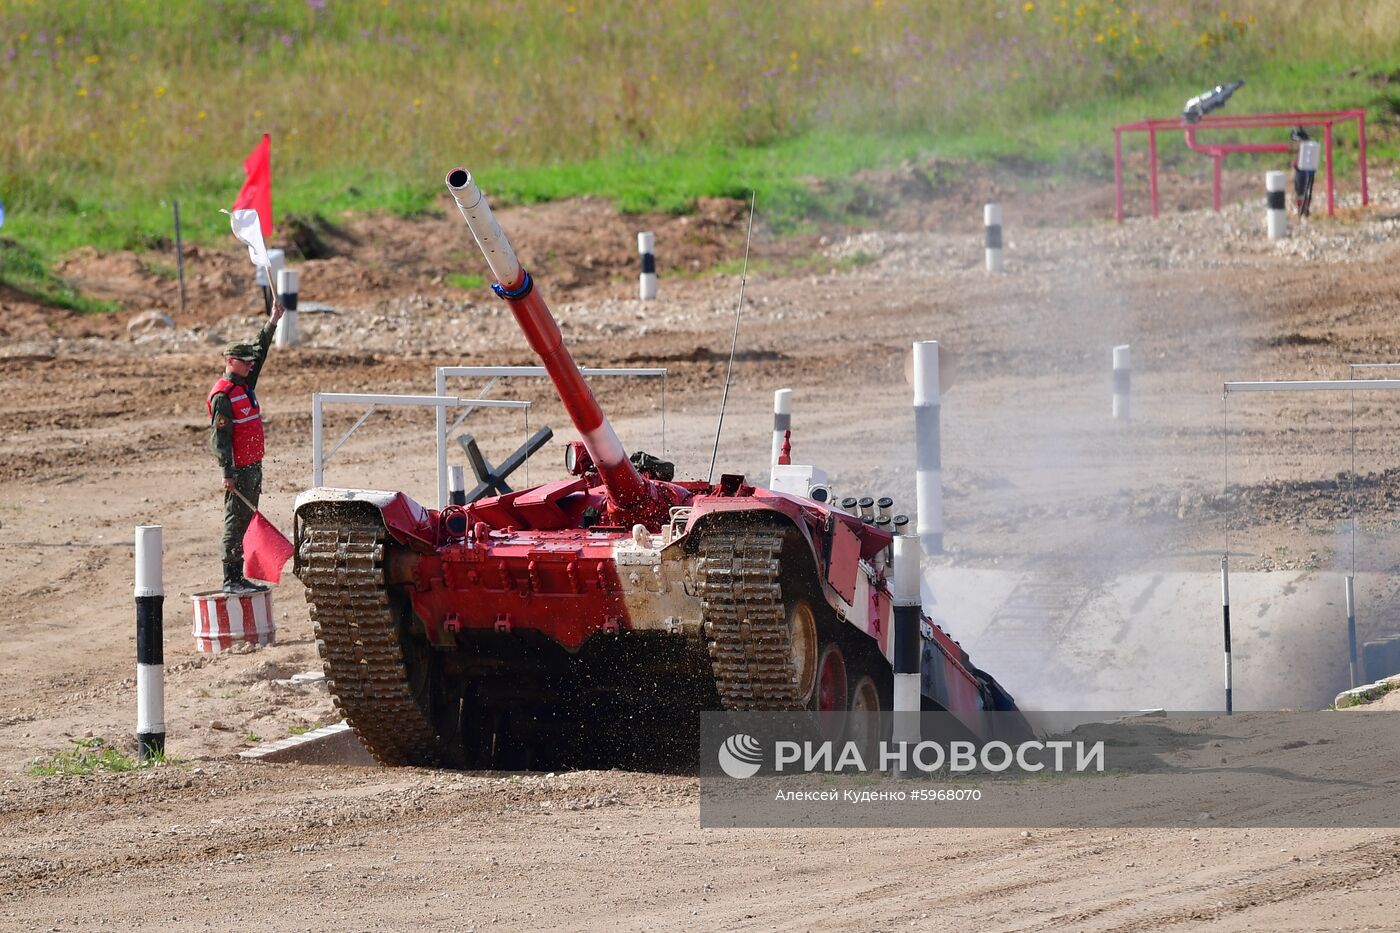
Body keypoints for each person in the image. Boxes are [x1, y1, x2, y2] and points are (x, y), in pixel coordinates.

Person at [208, 300, 284, 593]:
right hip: (238, 468)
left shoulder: (244, 383)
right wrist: (227, 472)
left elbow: (259, 351)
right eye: (245, 361)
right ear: (231, 362)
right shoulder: (223, 397)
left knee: (248, 517)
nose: (252, 364)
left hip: (253, 465)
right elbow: (220, 439)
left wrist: (273, 321)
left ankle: (240, 576)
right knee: (235, 520)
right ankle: (231, 578)